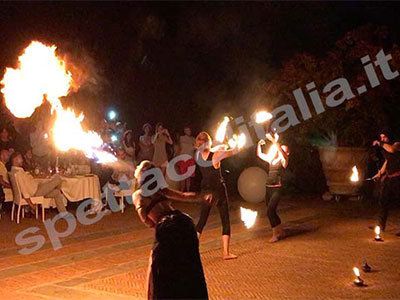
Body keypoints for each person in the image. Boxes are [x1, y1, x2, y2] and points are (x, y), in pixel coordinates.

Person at [133, 160, 211, 299]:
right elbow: (185, 196)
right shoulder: (161, 190)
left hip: (167, 227)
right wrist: (202, 197)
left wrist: (157, 227)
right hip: (184, 222)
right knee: (188, 263)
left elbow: (145, 219)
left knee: (156, 266)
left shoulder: (138, 195)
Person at [195, 131, 241, 260]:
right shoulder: (216, 155)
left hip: (205, 190)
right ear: (208, 142)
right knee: (225, 220)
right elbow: (235, 150)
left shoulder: (198, 155)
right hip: (218, 190)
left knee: (202, 221)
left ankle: (191, 249)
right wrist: (236, 140)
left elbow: (213, 149)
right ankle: (226, 253)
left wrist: (222, 145)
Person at [257, 131, 290, 243]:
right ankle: (281, 231)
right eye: (281, 148)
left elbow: (282, 152)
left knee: (270, 211)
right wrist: (259, 144)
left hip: (277, 188)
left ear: (287, 153)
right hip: (268, 188)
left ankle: (275, 235)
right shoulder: (272, 159)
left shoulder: (284, 161)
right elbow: (260, 154)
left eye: (284, 149)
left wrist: (273, 141)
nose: (281, 149)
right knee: (272, 211)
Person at [372, 132, 400, 236]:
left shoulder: (397, 144)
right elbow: (387, 162)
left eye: (384, 137)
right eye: (381, 137)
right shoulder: (386, 147)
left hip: (398, 178)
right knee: (383, 202)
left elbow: (392, 149)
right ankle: (380, 226)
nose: (382, 139)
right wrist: (379, 174)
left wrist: (380, 143)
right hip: (389, 179)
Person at [177, 126, 196, 192]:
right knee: (183, 176)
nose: (188, 132)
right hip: (183, 159)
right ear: (184, 131)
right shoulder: (181, 138)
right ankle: (182, 191)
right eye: (187, 130)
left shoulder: (193, 139)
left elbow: (196, 147)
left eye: (189, 130)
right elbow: (181, 147)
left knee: (189, 177)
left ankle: (188, 191)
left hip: (190, 159)